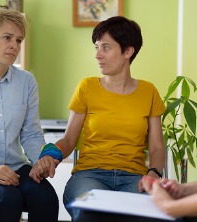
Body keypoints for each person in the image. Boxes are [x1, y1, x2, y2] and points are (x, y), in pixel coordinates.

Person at [30, 16, 166, 220]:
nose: (98, 55)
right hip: (89, 175)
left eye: (106, 47)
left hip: (134, 177)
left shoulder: (149, 92)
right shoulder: (87, 87)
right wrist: (50, 155)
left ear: (128, 51)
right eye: (96, 47)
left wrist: (154, 174)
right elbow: (68, 140)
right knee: (90, 214)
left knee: (141, 215)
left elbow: (156, 146)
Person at [0, 8, 59, 222]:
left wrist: (41, 160)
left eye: (19, 40)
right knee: (8, 199)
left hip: (16, 165)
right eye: (7, 37)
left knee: (47, 198)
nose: (14, 45)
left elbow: (31, 133)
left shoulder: (26, 81)